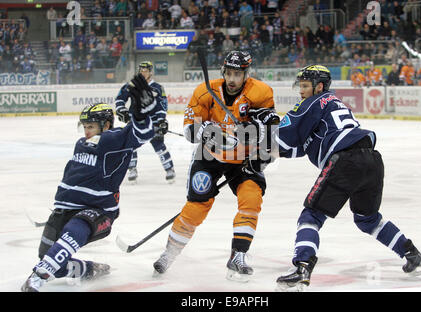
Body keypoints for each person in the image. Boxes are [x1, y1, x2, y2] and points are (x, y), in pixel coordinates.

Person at [273, 65, 421, 292]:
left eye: (305, 86)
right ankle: (412, 255)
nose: (301, 91)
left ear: (319, 86)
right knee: (367, 219)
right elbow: (303, 146)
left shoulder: (311, 103)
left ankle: (301, 269)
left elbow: (281, 140)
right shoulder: (334, 104)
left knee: (311, 215)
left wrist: (253, 146)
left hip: (345, 161)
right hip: (372, 159)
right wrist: (273, 152)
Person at [152, 51, 280, 282]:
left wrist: (261, 147)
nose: (232, 79)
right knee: (196, 207)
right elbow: (190, 130)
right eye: (229, 73)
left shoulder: (260, 93)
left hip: (243, 159)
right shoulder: (204, 91)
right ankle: (169, 254)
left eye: (238, 74)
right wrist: (211, 134)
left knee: (251, 200)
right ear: (223, 72)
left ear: (246, 74)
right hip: (208, 156)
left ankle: (238, 255)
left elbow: (270, 129)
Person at [21, 75, 157, 292]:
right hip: (65, 210)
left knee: (72, 233)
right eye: (84, 126)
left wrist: (141, 115)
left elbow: (142, 134)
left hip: (97, 212)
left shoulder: (113, 139)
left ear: (106, 125)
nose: (86, 132)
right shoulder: (81, 143)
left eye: (91, 126)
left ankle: (38, 276)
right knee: (50, 257)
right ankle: (88, 269)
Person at [115, 61, 176, 183]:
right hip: (136, 122)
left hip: (153, 122)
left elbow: (162, 106)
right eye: (141, 71)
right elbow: (120, 98)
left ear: (150, 72)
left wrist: (161, 121)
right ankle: (132, 169)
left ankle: (169, 169)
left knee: (159, 146)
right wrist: (121, 109)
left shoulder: (157, 88)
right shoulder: (132, 85)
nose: (143, 73)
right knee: (131, 146)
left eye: (146, 71)